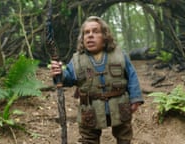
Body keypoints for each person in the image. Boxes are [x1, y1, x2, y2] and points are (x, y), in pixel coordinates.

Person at [50, 16, 144, 144]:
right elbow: (67, 78)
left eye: (95, 31)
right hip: (90, 109)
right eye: (86, 33)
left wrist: (135, 98)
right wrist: (59, 74)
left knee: (124, 136)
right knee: (88, 139)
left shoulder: (119, 55)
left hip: (119, 105)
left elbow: (132, 75)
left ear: (105, 36)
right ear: (82, 38)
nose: (90, 35)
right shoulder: (77, 60)